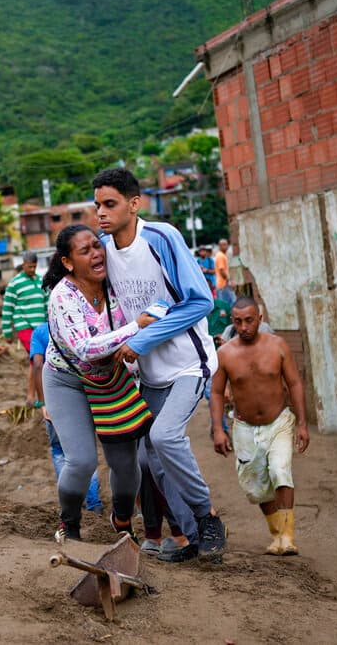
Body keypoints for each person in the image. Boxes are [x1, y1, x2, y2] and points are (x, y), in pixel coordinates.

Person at [93, 167, 227, 563]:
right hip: (150, 373)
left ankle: (208, 517)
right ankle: (192, 538)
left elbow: (201, 300)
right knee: (149, 457)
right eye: (97, 205)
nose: (101, 212)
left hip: (189, 363)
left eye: (110, 204)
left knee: (166, 438)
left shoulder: (162, 237)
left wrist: (142, 340)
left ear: (134, 204)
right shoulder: (104, 249)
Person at [42, 224, 159, 541]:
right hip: (66, 381)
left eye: (97, 245)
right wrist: (135, 327)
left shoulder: (116, 284)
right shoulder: (62, 297)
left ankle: (122, 520)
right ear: (68, 262)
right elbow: (84, 348)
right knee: (81, 461)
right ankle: (70, 524)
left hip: (111, 379)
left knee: (126, 464)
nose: (96, 253)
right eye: (85, 250)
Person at [209, 296, 309, 555]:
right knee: (257, 487)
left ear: (260, 319)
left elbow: (295, 383)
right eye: (238, 322)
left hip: (279, 421)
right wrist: (218, 429)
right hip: (244, 427)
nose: (244, 327)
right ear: (232, 322)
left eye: (249, 320)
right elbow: (217, 392)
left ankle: (287, 537)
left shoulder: (278, 346)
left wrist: (302, 424)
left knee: (280, 470)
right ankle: (276, 535)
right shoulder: (225, 354)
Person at [29, 322, 103, 514]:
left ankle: (72, 504)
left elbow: (37, 364)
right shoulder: (82, 326)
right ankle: (94, 503)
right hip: (85, 393)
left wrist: (43, 402)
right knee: (85, 450)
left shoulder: (40, 332)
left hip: (57, 397)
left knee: (59, 451)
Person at [2, 251, 48, 404]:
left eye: (34, 267)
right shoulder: (15, 283)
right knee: (37, 359)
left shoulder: (40, 281)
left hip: (40, 327)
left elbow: (47, 304)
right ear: (23, 265)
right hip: (24, 326)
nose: (32, 269)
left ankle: (31, 396)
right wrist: (7, 331)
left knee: (37, 361)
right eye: (29, 267)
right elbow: (7, 307)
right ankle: (37, 397)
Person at [214, 239, 235, 305]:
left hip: (223, 284)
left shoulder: (221, 255)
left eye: (226, 244)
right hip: (223, 284)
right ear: (220, 246)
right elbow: (222, 270)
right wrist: (229, 281)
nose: (226, 246)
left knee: (227, 303)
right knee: (230, 303)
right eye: (224, 245)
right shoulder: (220, 256)